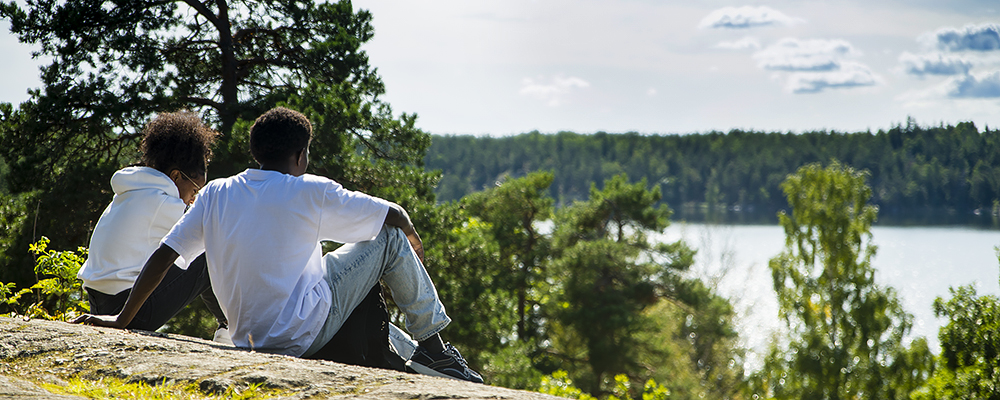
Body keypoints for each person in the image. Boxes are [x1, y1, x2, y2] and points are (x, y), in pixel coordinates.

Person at [73, 107, 483, 383]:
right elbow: (391, 213)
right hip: (302, 334)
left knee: (323, 271)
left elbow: (165, 254)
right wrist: (410, 233)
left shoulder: (215, 193)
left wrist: (122, 320)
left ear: (255, 151)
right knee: (388, 239)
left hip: (247, 335)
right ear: (301, 155)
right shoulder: (310, 191)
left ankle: (421, 355)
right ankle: (436, 350)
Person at [75, 111, 229, 340]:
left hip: (99, 305)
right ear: (176, 176)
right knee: (209, 252)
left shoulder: (130, 194)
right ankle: (230, 329)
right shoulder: (166, 203)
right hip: (129, 313)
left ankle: (227, 327)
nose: (193, 198)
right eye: (194, 189)